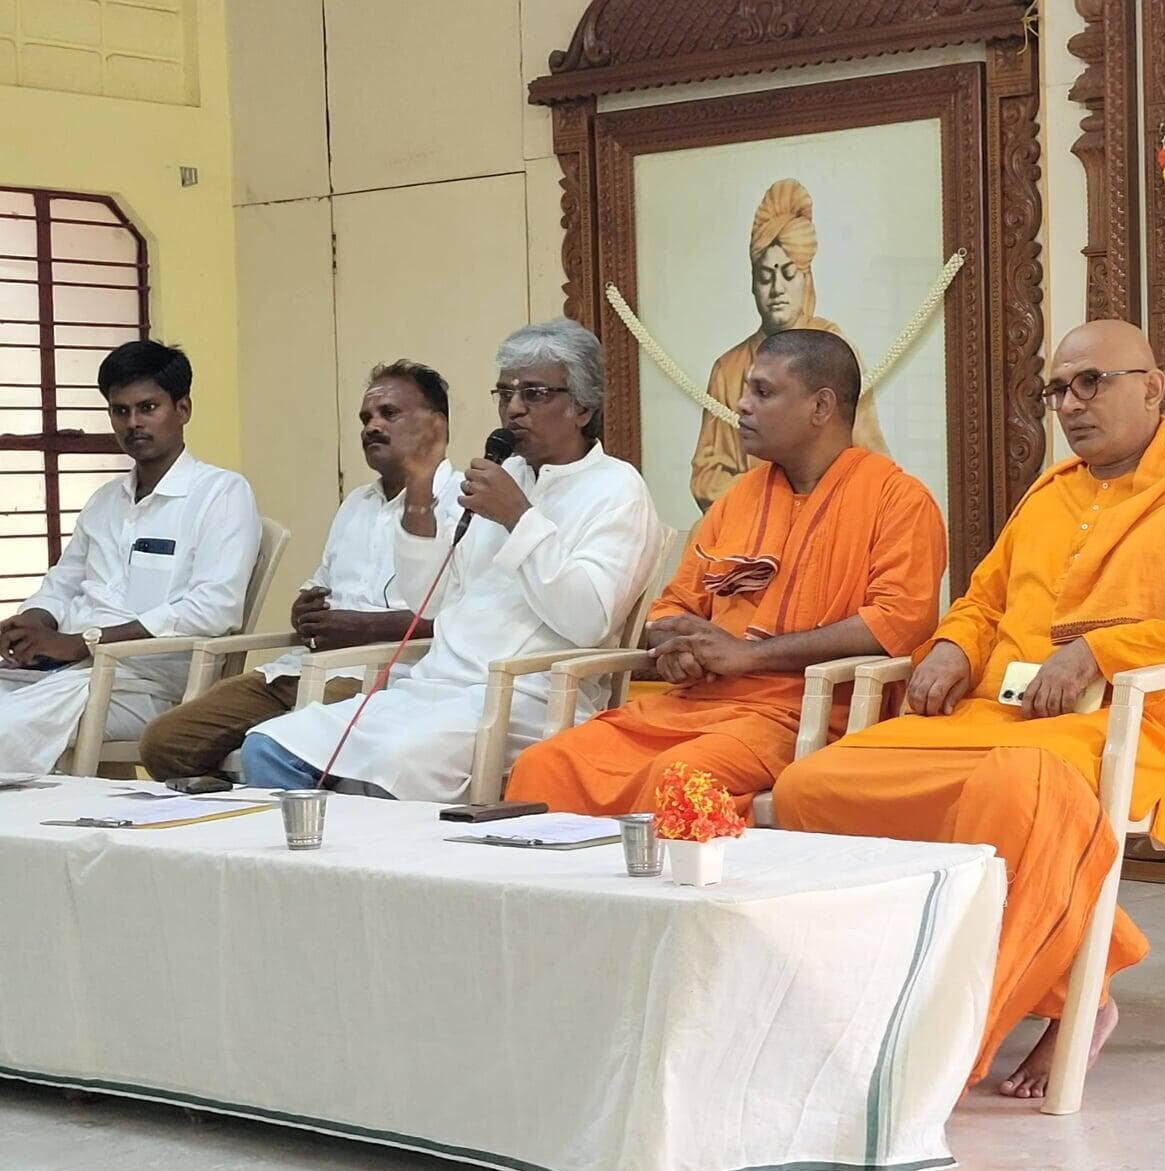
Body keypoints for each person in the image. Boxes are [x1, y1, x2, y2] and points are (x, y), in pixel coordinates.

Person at [775, 320, 1165, 1098]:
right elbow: (982, 600)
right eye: (1058, 388)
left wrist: (1103, 652)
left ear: (1153, 388)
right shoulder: (1050, 493)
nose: (1071, 404)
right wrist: (954, 646)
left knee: (1018, 787)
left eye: (1092, 383)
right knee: (811, 787)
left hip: (1134, 727)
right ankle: (885, 999)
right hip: (994, 718)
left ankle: (967, 1038)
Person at [504, 328, 946, 816]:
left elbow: (898, 622)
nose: (741, 405)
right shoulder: (739, 497)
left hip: (799, 714)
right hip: (694, 705)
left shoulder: (898, 500)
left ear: (821, 407)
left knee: (676, 781)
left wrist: (749, 657)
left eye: (763, 391)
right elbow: (673, 606)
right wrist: (674, 646)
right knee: (545, 764)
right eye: (745, 390)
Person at [238, 319, 663, 801]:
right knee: (269, 747)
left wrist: (519, 520)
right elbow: (430, 600)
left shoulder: (617, 489)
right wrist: (420, 494)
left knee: (387, 766)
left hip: (525, 697)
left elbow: (587, 621)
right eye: (504, 393)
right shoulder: (504, 475)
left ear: (582, 407)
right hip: (433, 684)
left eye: (535, 393)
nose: (514, 408)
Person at [139, 360, 456, 781]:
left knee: (269, 746)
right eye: (366, 417)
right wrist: (304, 610)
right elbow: (321, 584)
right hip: (300, 667)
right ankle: (239, 828)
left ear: (435, 425)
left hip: (385, 674)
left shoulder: (462, 501)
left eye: (388, 414)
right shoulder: (356, 504)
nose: (371, 427)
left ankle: (297, 827)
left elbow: (457, 618)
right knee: (166, 742)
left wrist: (361, 628)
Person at [0, 340, 260, 773]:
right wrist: (33, 624)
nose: (133, 423)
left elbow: (215, 608)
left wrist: (85, 642)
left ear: (183, 408)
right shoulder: (106, 501)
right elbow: (64, 582)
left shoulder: (221, 493)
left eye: (148, 407)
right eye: (120, 411)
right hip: (67, 670)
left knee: (7, 729)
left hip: (148, 683)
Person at [688, 178, 889, 511]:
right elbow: (707, 476)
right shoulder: (727, 367)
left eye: (787, 274)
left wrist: (811, 499)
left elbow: (870, 458)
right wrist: (771, 496)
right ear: (753, 286)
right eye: (765, 276)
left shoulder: (836, 355)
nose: (776, 288)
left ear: (807, 280)